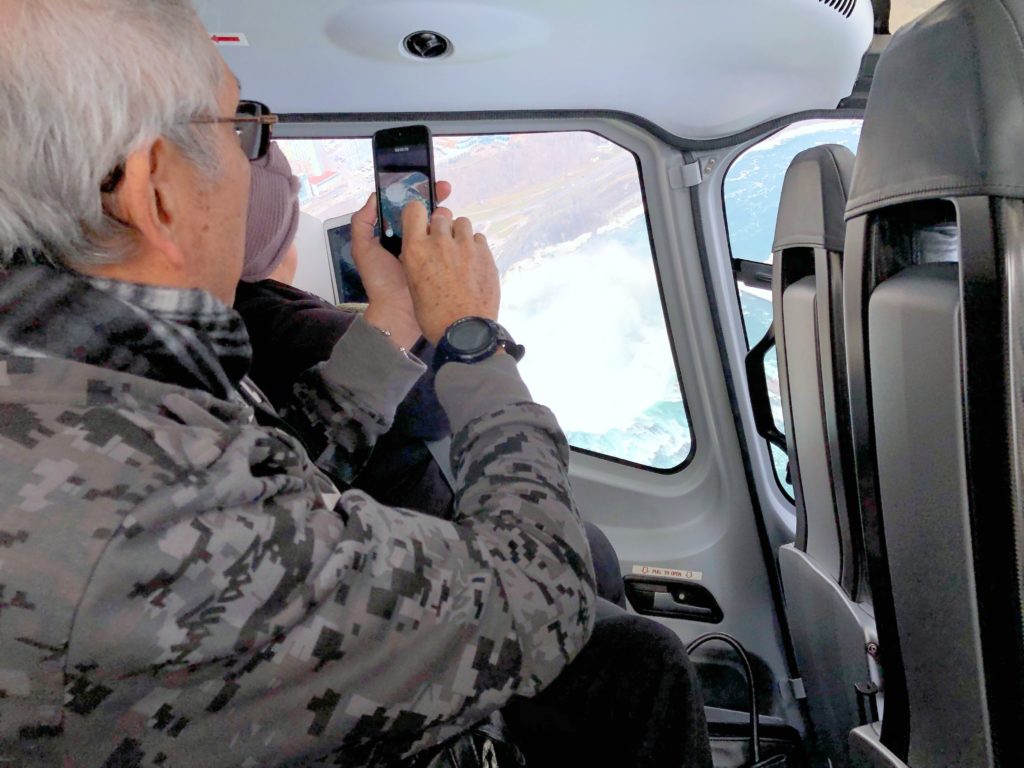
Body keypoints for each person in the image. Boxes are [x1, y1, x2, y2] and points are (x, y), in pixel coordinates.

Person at [0, 2, 708, 766]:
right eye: (240, 126)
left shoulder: (79, 385)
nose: (253, 156)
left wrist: (396, 319)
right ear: (157, 190)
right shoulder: (137, 520)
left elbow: (267, 475)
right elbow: (539, 600)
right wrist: (472, 341)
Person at [234, 143, 628, 607]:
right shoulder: (278, 327)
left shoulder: (205, 349)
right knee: (637, 639)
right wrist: (471, 332)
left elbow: (298, 462)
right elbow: (542, 576)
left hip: (367, 559)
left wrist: (400, 310)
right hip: (414, 585)